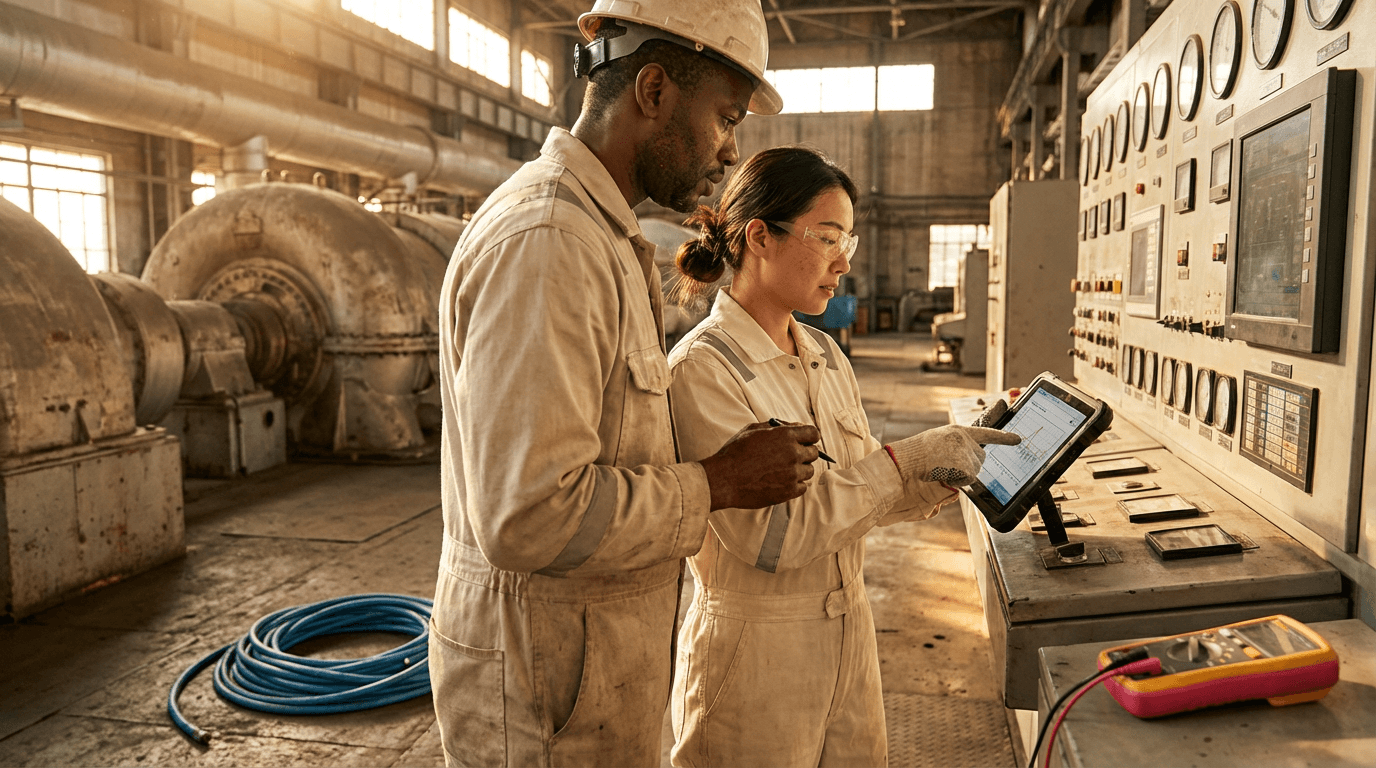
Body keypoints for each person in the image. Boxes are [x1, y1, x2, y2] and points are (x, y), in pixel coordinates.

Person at [427, 3, 822, 766]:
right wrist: (716, 483)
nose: (731, 150)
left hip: (580, 677)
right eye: (726, 117)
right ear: (653, 91)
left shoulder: (600, 235)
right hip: (544, 701)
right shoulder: (551, 242)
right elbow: (529, 516)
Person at [666, 146, 1020, 766]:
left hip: (849, 628)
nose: (843, 263)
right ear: (760, 237)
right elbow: (777, 539)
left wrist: (949, 465)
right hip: (755, 653)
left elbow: (863, 493)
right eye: (828, 239)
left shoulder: (825, 354)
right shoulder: (703, 369)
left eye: (847, 243)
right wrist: (906, 461)